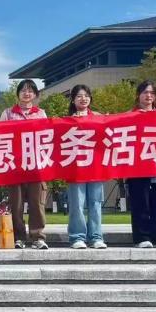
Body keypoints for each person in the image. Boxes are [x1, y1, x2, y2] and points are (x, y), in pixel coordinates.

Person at [0, 79, 49, 250]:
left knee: (37, 203)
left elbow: (47, 136)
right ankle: (18, 237)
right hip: (15, 166)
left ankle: (38, 237)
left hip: (36, 166)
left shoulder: (41, 113)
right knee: (16, 204)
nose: (27, 93)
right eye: (23, 90)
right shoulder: (8, 113)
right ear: (18, 93)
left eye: (30, 91)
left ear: (35, 95)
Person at [127, 80, 156, 249]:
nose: (148, 96)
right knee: (141, 203)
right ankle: (142, 237)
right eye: (145, 92)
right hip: (137, 168)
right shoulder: (129, 116)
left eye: (152, 93)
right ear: (138, 95)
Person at [66, 84, 107, 250]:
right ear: (73, 100)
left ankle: (96, 237)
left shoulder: (99, 117)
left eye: (86, 96)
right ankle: (77, 237)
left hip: (95, 167)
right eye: (79, 96)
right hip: (75, 168)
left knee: (95, 203)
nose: (83, 99)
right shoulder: (66, 120)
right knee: (77, 203)